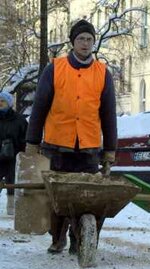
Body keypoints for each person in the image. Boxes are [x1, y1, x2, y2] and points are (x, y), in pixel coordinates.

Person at [26, 19, 117, 254]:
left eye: (89, 39)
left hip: (88, 149)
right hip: (57, 146)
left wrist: (110, 150)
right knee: (56, 200)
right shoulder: (55, 68)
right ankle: (57, 237)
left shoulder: (102, 73)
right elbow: (39, 107)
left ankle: (81, 238)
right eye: (81, 39)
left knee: (91, 200)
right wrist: (32, 142)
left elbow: (108, 115)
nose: (85, 44)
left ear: (94, 42)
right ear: (72, 42)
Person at [0, 91, 28, 215]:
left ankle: (11, 205)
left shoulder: (19, 120)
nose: (0, 103)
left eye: (3, 101)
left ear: (9, 103)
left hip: (14, 155)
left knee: (12, 181)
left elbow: (25, 137)